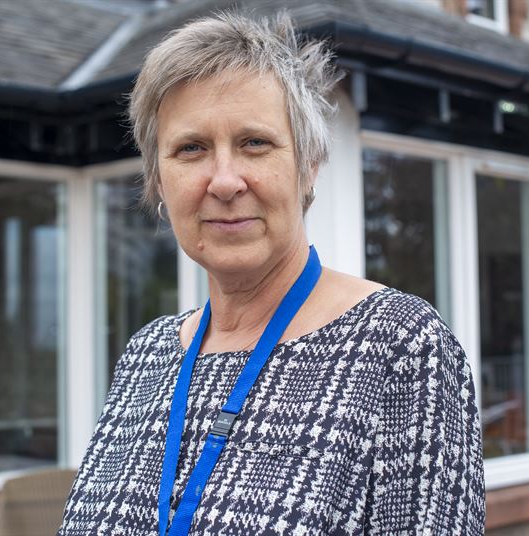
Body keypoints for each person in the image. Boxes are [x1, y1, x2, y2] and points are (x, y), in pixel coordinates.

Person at [59, 11, 484, 536]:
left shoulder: (399, 348)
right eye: (191, 148)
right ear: (159, 182)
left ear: (309, 166)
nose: (224, 181)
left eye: (254, 143)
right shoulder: (147, 355)